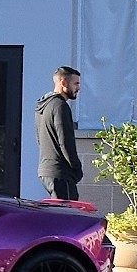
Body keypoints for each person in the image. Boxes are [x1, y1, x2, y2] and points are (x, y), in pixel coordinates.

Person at [36, 66, 83, 201]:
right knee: (68, 216)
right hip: (61, 173)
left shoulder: (43, 106)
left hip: (46, 171)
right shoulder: (60, 106)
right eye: (76, 83)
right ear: (63, 83)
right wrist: (76, 169)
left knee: (59, 213)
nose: (78, 88)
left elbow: (39, 138)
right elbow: (65, 142)